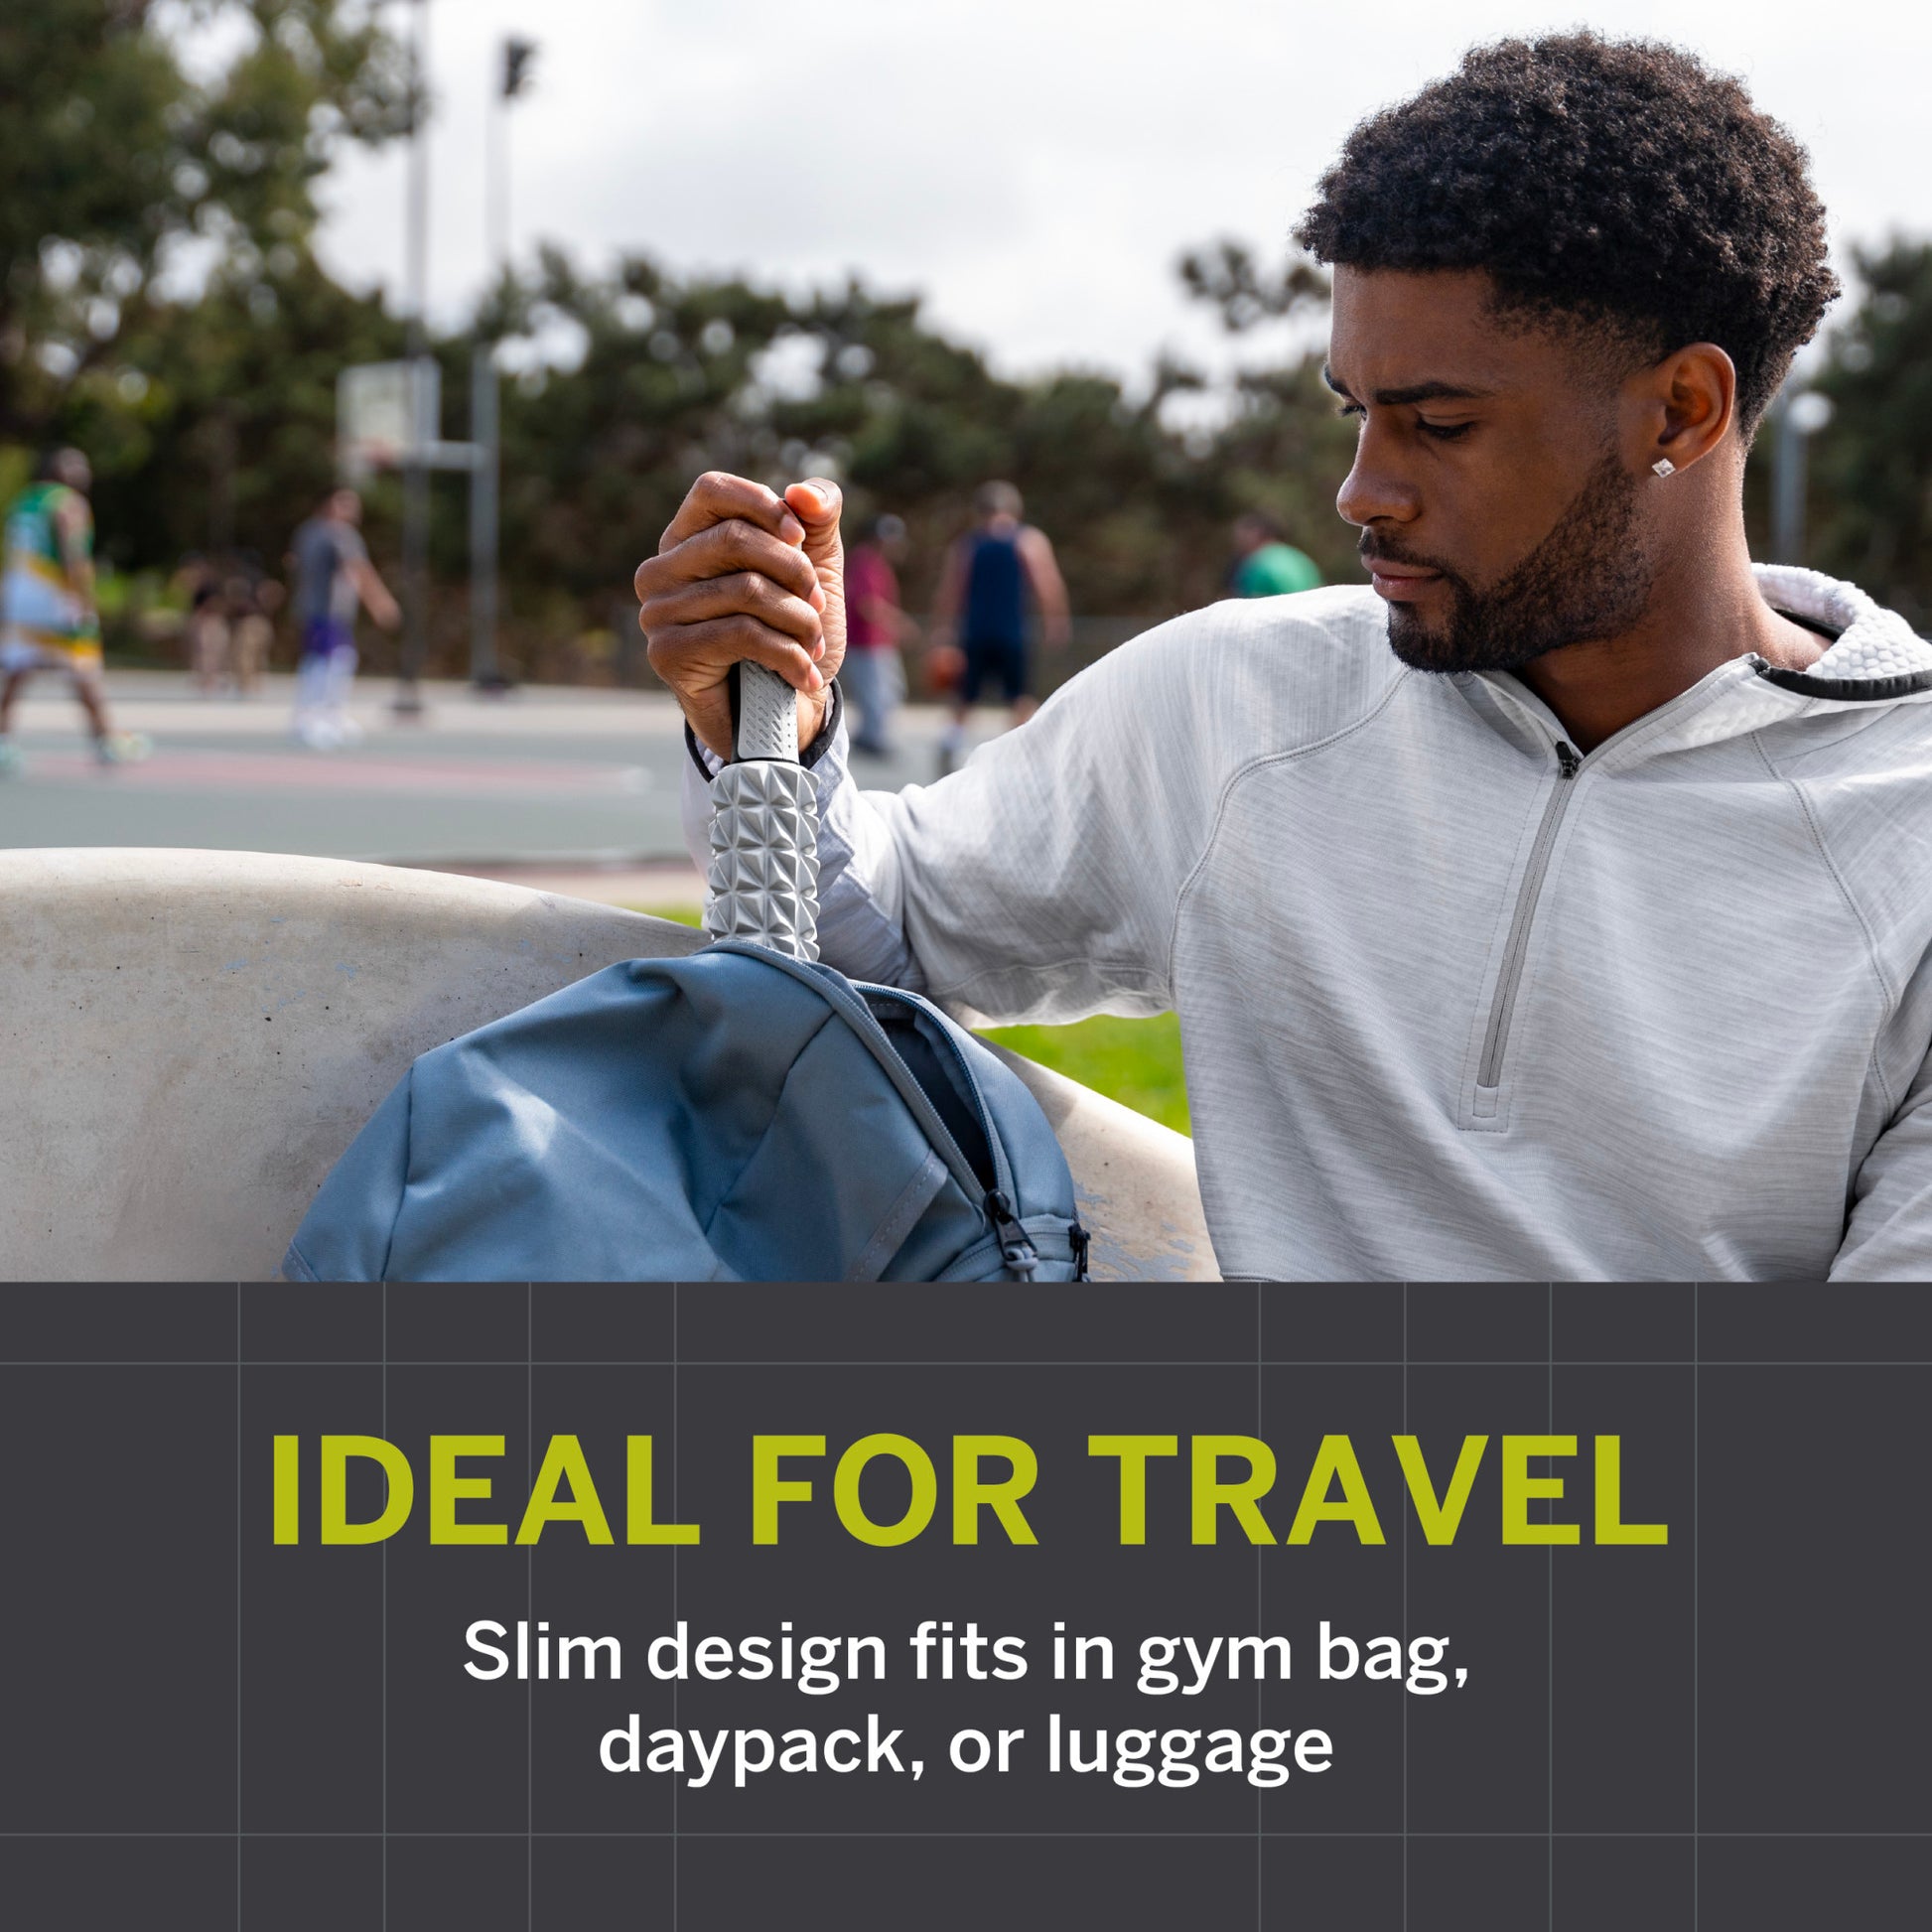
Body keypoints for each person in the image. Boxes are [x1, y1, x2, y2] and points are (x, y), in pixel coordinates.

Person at [638, 35, 1932, 1281]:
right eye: (1355, 412)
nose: (1360, 489)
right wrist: (767, 715)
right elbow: (879, 939)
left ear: (1680, 411)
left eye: (1438, 423)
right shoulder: (1238, 702)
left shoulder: (1906, 827)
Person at [0, 448, 149, 771]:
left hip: (20, 597)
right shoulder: (67, 503)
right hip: (55, 596)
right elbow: (74, 555)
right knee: (85, 667)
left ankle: (2, 738)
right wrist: (85, 598)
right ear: (57, 470)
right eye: (76, 465)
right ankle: (106, 739)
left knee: (17, 669)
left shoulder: (23, 502)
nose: (84, 472)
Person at [927, 482, 1069, 771]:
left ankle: (951, 746)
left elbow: (951, 590)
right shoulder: (1027, 542)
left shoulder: (969, 545)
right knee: (1020, 697)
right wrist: (1055, 622)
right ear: (1016, 510)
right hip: (1012, 633)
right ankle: (1029, 757)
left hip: (975, 632)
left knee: (964, 697)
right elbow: (1047, 584)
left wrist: (942, 629)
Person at [288, 486, 398, 749]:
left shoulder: (307, 531)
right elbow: (358, 569)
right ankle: (318, 715)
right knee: (334, 660)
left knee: (323, 659)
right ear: (329, 504)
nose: (353, 509)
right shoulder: (338, 534)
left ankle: (320, 714)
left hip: (315, 609)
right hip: (327, 610)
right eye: (346, 503)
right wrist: (380, 602)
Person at [842, 513, 916, 756]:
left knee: (889, 690)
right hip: (866, 642)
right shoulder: (865, 560)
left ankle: (870, 736)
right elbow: (868, 604)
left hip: (878, 642)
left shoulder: (877, 563)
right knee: (876, 693)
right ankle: (872, 739)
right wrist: (899, 623)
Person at [1229, 510, 1321, 599]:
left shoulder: (1256, 563)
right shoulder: (1299, 557)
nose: (1237, 542)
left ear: (1256, 533)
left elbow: (1251, 603)